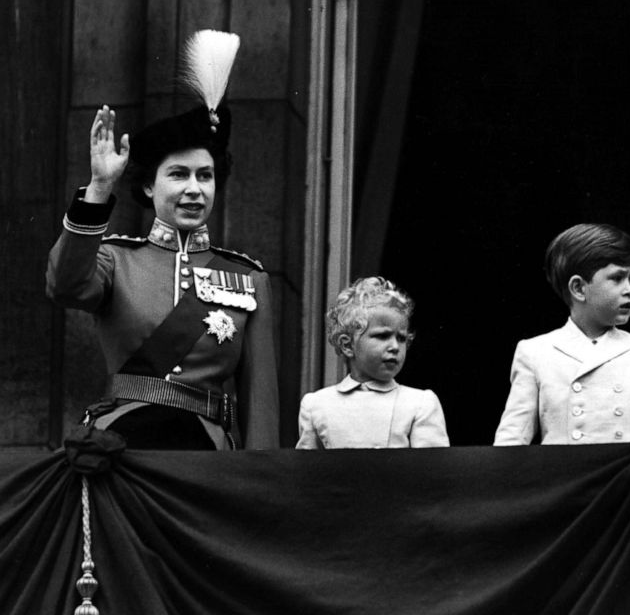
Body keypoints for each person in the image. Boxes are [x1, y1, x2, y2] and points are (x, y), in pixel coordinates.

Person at [46, 30, 279, 450]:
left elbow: (259, 405)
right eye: (178, 175)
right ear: (150, 188)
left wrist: (259, 485)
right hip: (122, 445)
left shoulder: (249, 279)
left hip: (204, 457)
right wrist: (99, 187)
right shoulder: (117, 260)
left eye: (204, 176)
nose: (194, 188)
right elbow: (64, 286)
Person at [494, 223, 630, 445]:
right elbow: (513, 438)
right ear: (578, 288)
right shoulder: (535, 352)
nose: (629, 290)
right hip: (566, 477)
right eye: (617, 278)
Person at [296, 276, 449, 449]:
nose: (394, 347)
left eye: (401, 338)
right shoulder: (317, 405)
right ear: (347, 345)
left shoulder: (419, 404)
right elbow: (307, 472)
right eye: (382, 336)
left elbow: (433, 471)